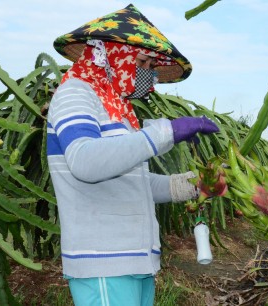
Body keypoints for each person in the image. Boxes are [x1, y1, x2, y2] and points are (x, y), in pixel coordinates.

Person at [47, 4, 219, 305]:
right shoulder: (76, 94)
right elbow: (84, 161)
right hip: (103, 261)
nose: (148, 76)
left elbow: (133, 182)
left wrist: (194, 185)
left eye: (152, 67)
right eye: (144, 63)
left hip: (135, 261)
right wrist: (166, 132)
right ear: (114, 53)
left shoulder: (119, 111)